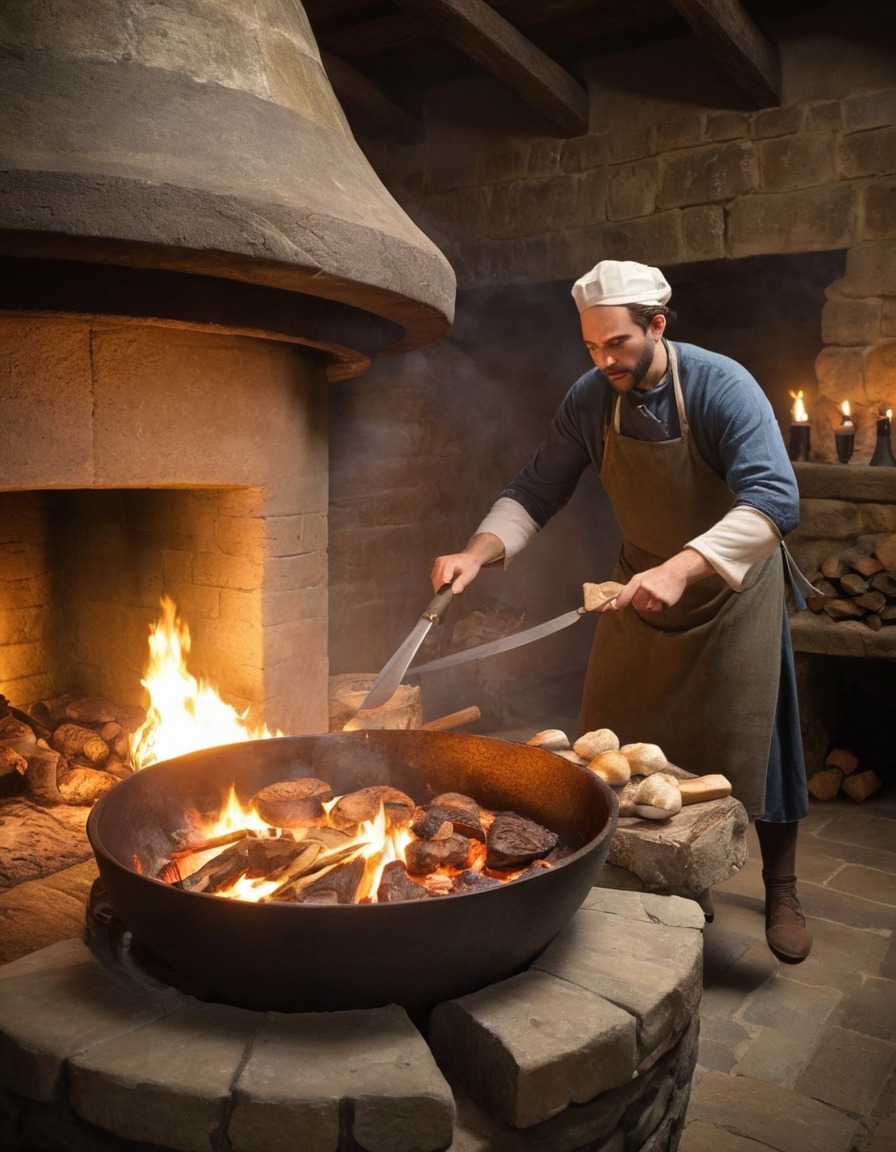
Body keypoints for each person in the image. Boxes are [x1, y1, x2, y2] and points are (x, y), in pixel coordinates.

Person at [431, 259, 813, 964]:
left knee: (759, 743)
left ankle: (782, 888)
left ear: (657, 326)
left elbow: (775, 501)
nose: (604, 359)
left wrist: (682, 566)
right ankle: (631, 879)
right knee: (609, 748)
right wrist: (476, 553)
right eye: (591, 347)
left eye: (618, 345)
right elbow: (537, 488)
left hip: (730, 591)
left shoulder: (722, 387)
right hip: (638, 588)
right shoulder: (589, 398)